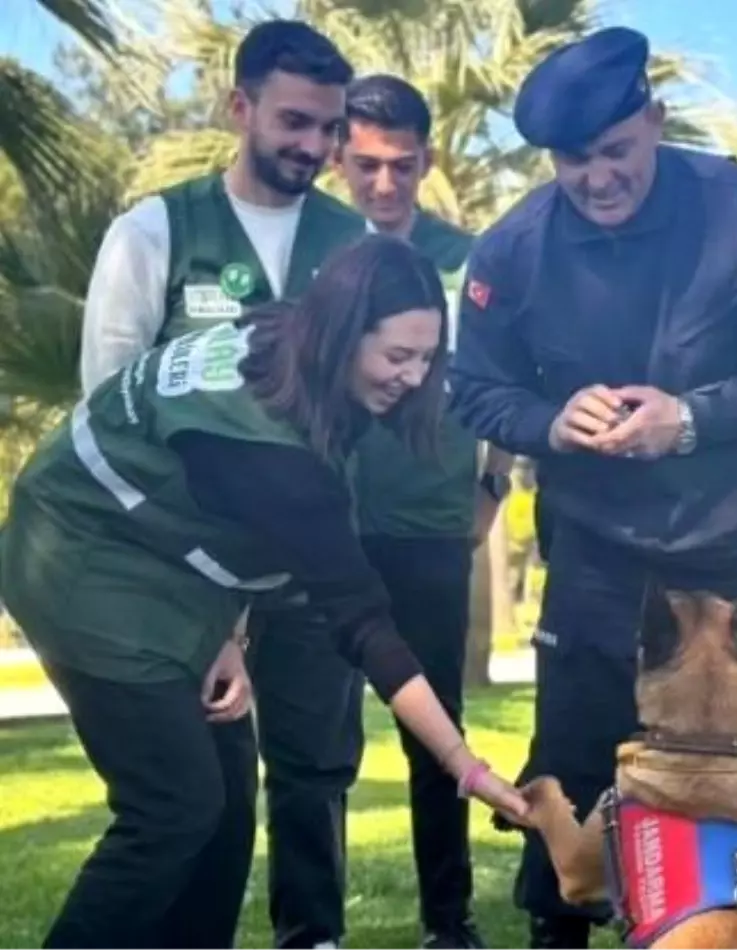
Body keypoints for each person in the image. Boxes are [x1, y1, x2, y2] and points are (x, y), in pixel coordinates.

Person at [448, 26, 737, 950]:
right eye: (574, 162)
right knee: (573, 759)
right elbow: (474, 387)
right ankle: (556, 934)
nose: (597, 177)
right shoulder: (512, 252)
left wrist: (689, 419)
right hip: (601, 549)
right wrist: (548, 420)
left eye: (616, 151)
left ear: (654, 121)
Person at [0, 234, 529, 950]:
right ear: (342, 335)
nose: (414, 377)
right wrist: (465, 766)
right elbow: (366, 626)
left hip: (156, 554)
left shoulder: (286, 333)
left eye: (427, 357)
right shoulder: (273, 453)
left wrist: (230, 631)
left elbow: (219, 513)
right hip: (77, 559)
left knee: (224, 809)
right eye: (397, 356)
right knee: (173, 807)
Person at [77, 20, 375, 948]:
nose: (315, 148)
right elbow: (107, 419)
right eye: (294, 121)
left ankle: (312, 938)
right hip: (186, 574)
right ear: (239, 107)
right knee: (203, 803)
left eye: (330, 129)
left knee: (318, 769)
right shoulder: (153, 232)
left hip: (310, 562)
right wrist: (211, 613)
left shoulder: (353, 241)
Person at [333, 73, 513, 950]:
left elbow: (512, 381)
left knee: (434, 728)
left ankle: (450, 923)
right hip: (323, 528)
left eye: (401, 167)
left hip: (432, 531)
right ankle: (311, 927)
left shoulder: (473, 259)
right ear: (338, 157)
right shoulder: (316, 253)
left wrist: (492, 488)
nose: (383, 186)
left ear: (426, 161)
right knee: (316, 740)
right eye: (365, 165)